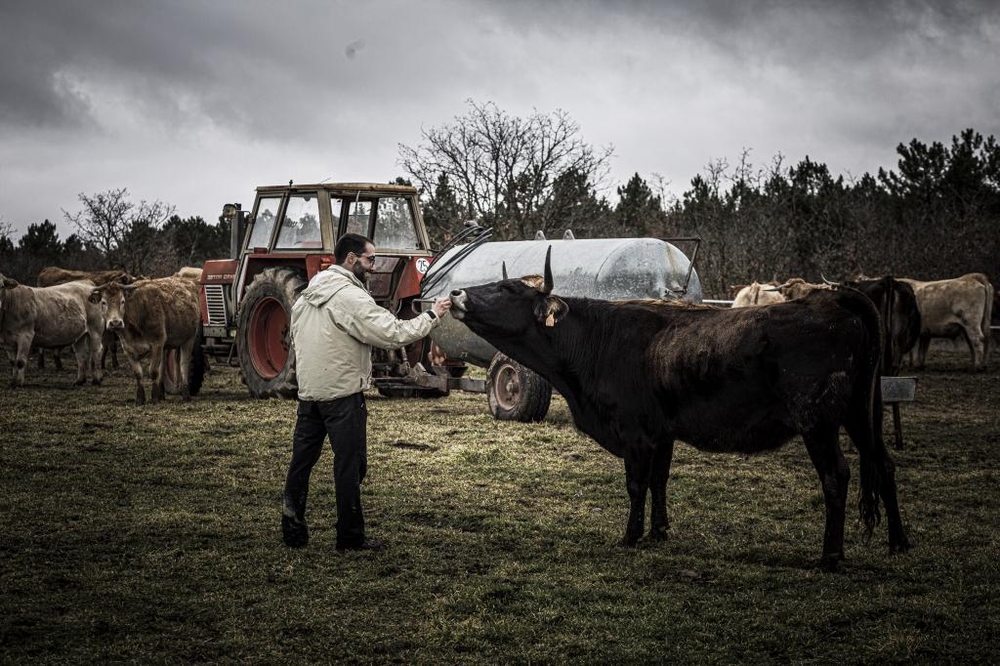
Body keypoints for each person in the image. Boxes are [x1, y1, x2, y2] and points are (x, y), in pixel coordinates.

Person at [281, 233, 452, 551]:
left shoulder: (306, 296)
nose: (374, 266)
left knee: (302, 462)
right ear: (350, 259)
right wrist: (432, 315)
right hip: (343, 395)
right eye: (370, 259)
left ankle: (292, 526)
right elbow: (393, 333)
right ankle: (349, 537)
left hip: (310, 394)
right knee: (351, 465)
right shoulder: (350, 297)